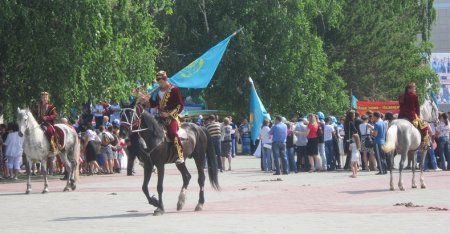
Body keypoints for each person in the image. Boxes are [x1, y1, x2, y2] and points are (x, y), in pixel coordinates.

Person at [149, 70, 185, 164]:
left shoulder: (175, 89)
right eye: (158, 82)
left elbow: (180, 105)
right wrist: (146, 100)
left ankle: (180, 155)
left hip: (171, 117)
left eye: (161, 82)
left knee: (173, 133)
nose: (159, 84)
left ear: (165, 80)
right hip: (159, 117)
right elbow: (154, 105)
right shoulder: (157, 92)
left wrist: (169, 114)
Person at [398, 83, 430, 149]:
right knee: (424, 127)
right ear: (409, 89)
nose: (415, 90)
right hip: (411, 115)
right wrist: (418, 116)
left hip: (401, 115)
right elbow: (417, 107)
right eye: (414, 88)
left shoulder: (401, 96)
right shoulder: (413, 96)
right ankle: (425, 144)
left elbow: (401, 106)